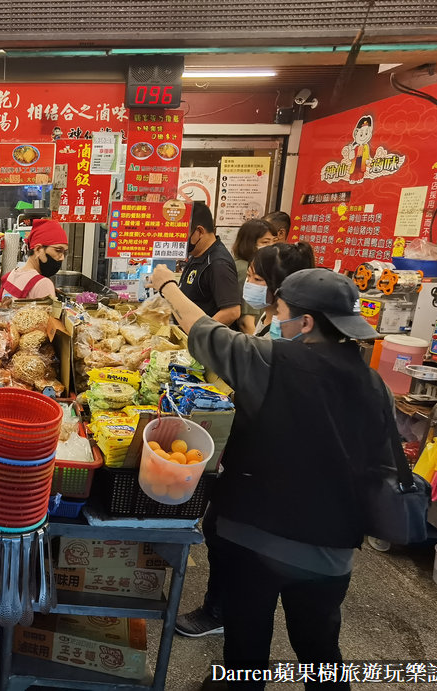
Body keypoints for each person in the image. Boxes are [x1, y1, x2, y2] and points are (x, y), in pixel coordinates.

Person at [151, 265, 393, 691]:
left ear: (306, 322)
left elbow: (200, 327)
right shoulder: (376, 385)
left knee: (247, 643)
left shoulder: (268, 360)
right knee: (319, 648)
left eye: (279, 310)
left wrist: (167, 284)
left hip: (255, 537)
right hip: (331, 549)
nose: (273, 319)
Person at [174, 240, 315, 640]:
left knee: (240, 564)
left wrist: (168, 285)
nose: (246, 284)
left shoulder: (287, 348)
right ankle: (226, 613)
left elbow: (210, 335)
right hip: (302, 508)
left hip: (267, 477)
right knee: (309, 628)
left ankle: (220, 612)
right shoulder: (282, 325)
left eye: (254, 278)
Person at [177, 202, 241, 325]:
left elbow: (232, 311)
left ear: (199, 231)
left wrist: (199, 333)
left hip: (204, 342)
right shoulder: (198, 254)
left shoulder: (218, 263)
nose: (178, 238)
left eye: (182, 233)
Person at [244, 242, 316, 336]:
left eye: (257, 279)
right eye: (248, 275)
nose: (249, 283)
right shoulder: (267, 314)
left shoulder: (284, 331)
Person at [0, 218, 68, 300]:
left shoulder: (10, 276)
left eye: (65, 252)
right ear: (38, 249)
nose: (62, 257)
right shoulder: (43, 284)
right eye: (58, 250)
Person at [231, 219, 276, 335]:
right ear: (250, 243)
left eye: (274, 241)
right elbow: (246, 323)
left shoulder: (242, 264)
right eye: (266, 242)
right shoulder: (246, 268)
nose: (271, 247)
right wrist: (257, 348)